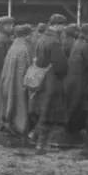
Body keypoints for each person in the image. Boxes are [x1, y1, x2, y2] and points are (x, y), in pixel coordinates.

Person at [31, 14, 68, 154]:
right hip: (53, 79)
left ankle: (36, 136)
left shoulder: (42, 39)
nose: (63, 28)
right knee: (50, 112)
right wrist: (64, 72)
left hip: (42, 77)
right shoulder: (54, 41)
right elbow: (60, 65)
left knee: (44, 110)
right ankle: (41, 143)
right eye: (62, 25)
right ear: (56, 25)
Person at [0, 24, 32, 141]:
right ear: (27, 35)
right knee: (19, 107)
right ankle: (19, 132)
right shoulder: (23, 49)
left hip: (8, 82)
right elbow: (24, 70)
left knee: (9, 106)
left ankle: (10, 130)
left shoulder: (13, 47)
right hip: (18, 84)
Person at [63, 23, 88, 139]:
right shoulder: (85, 46)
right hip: (80, 81)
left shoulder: (76, 43)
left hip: (71, 79)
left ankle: (69, 131)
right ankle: (72, 133)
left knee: (72, 105)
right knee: (77, 106)